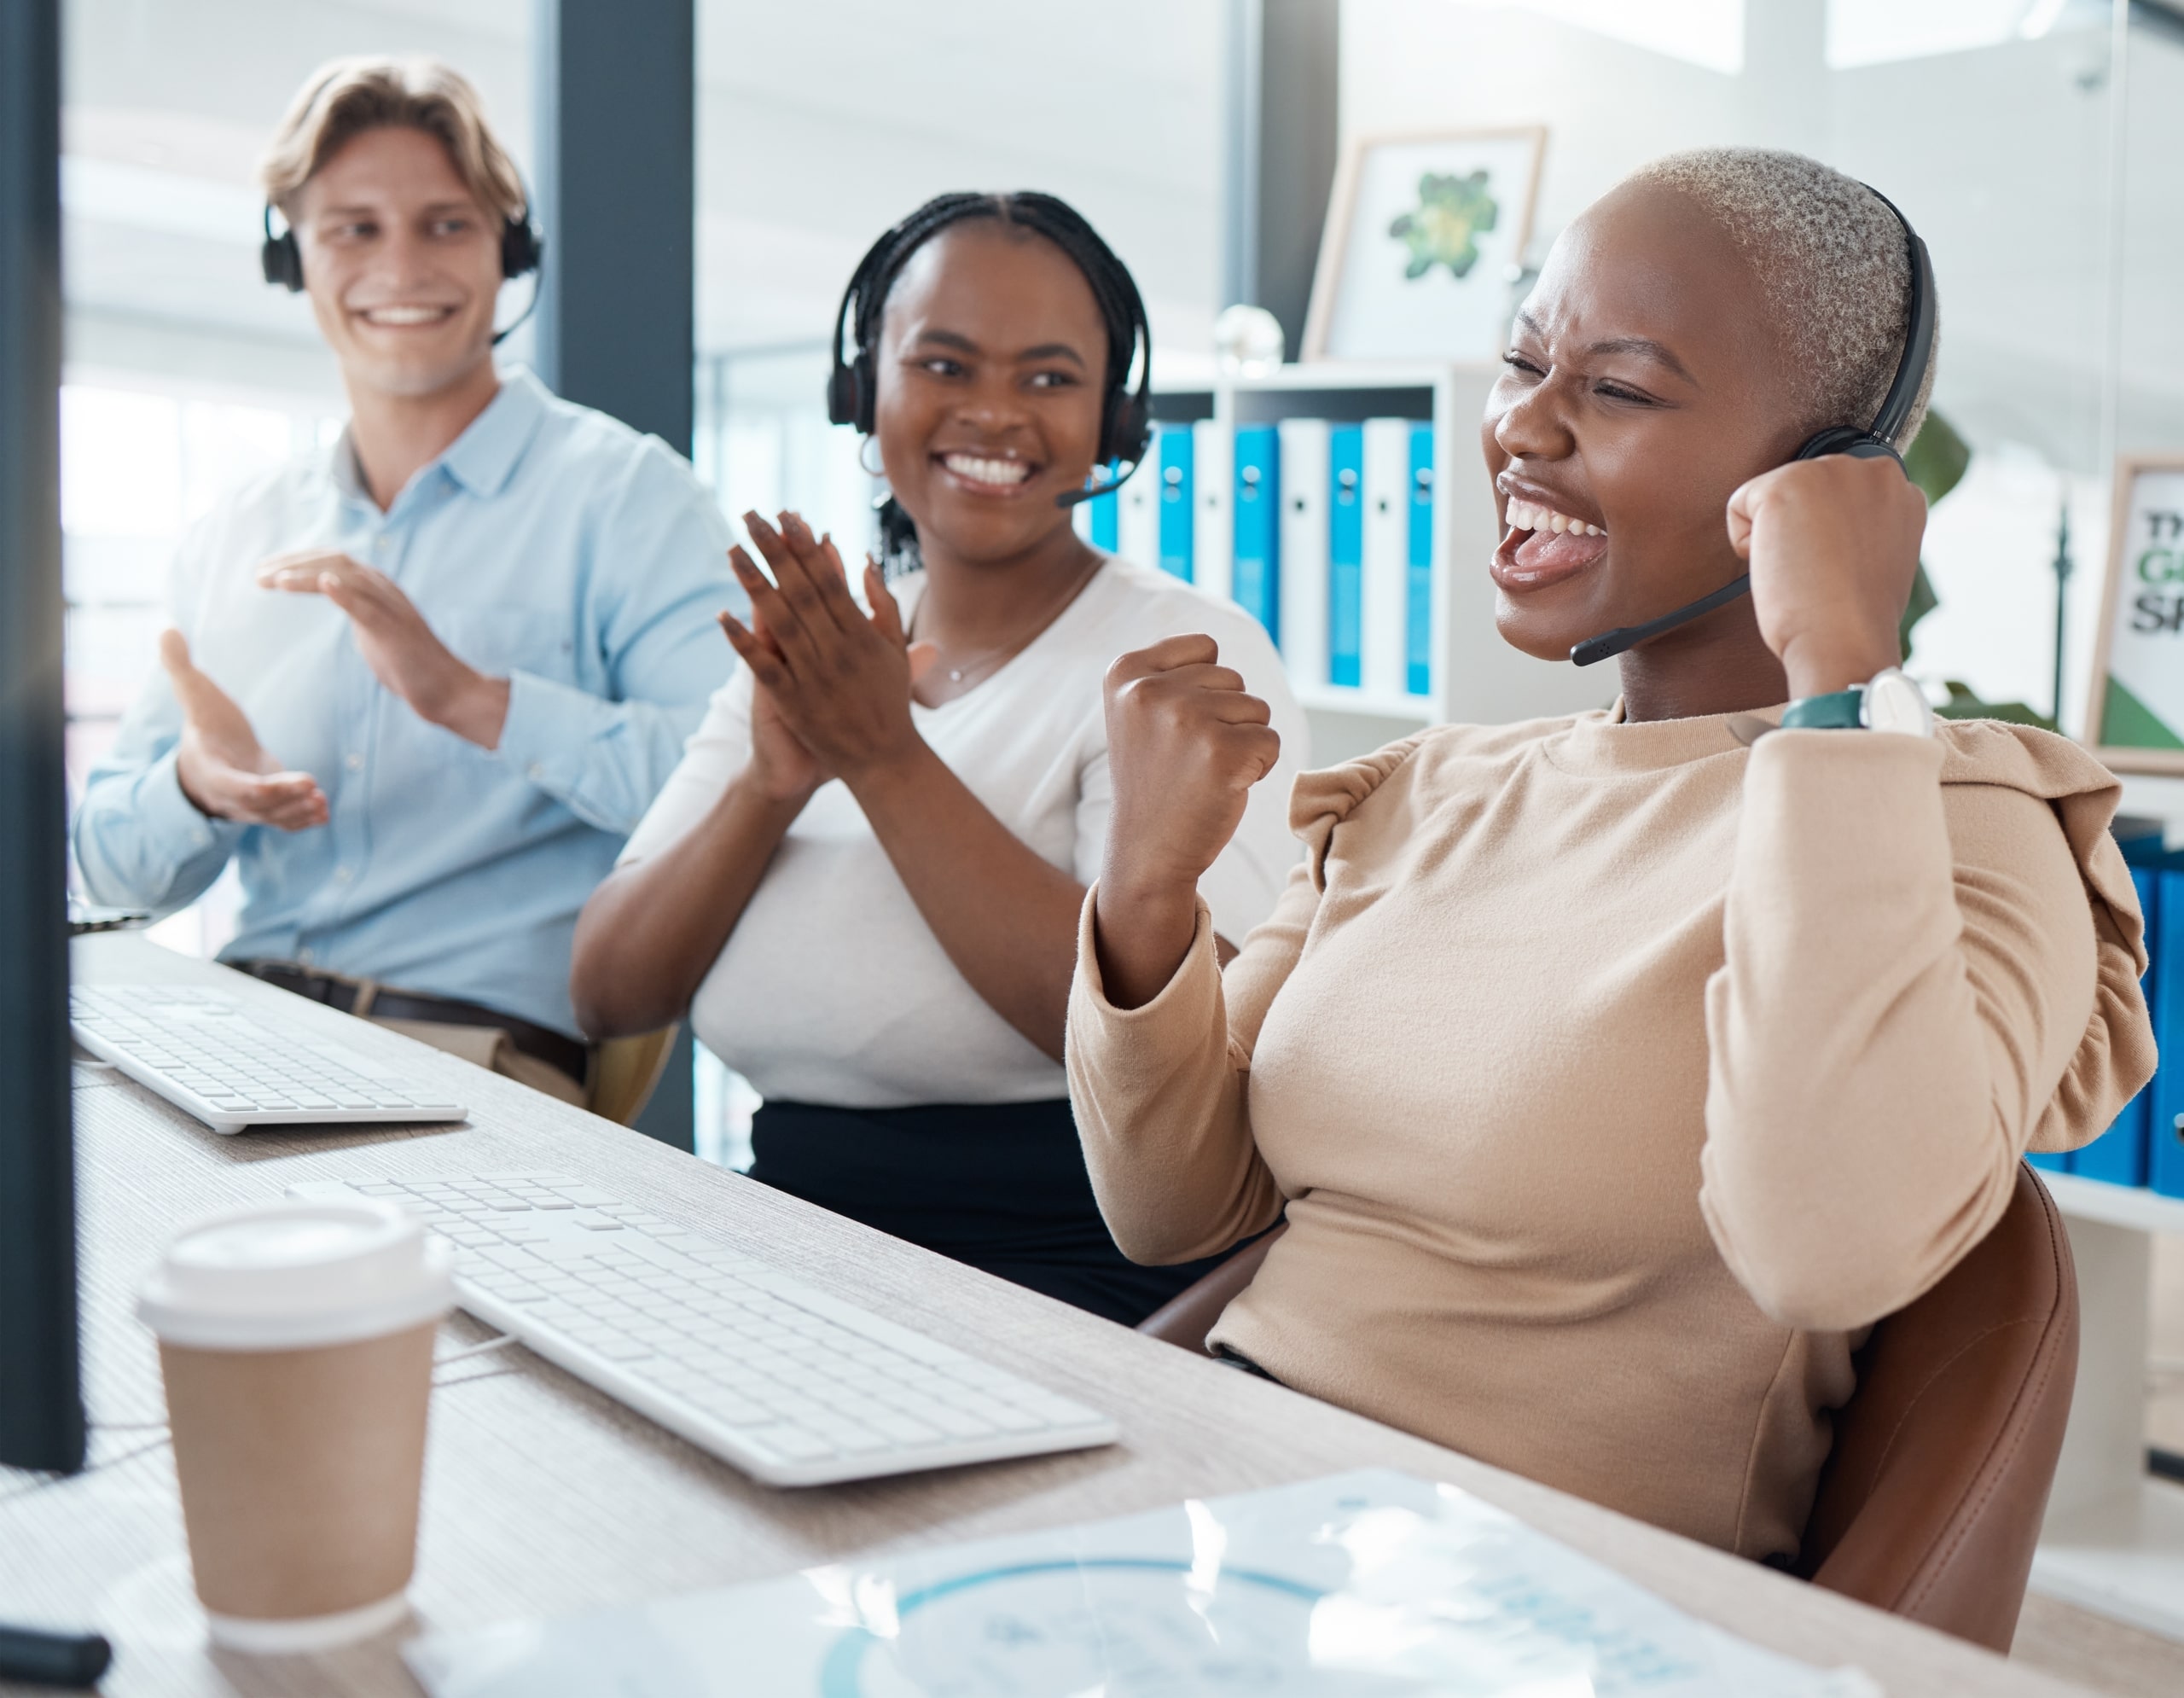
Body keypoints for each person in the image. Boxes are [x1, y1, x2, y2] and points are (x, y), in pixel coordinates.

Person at [1066, 149, 2158, 1562]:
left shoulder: (1956, 819)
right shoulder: (1430, 787)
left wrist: (1837, 674)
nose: (1519, 428)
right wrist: (1146, 892)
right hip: (1218, 1513)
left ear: (1830, 479)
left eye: (1619, 389)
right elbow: (1173, 1212)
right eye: (1523, 364)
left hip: (1523, 1608)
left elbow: (1834, 1241)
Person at [572, 192, 1307, 1324]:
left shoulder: (1180, 659)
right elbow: (611, 990)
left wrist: (884, 758)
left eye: (1051, 378)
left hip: (1062, 1266)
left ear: (1116, 420)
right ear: (863, 392)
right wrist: (773, 783)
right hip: (786, 1234)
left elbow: (1170, 1047)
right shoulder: (822, 655)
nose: (995, 413)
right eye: (945, 365)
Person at [72, 56, 735, 1106]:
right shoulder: (238, 529)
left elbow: (736, 789)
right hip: (237, 1031)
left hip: (474, 1056)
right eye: (353, 228)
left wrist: (477, 702)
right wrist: (194, 787)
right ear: (291, 256)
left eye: (445, 223)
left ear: (507, 248)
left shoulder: (629, 499)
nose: (401, 267)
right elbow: (105, 872)